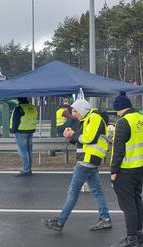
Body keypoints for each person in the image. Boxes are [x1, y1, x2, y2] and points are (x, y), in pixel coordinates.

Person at [44, 99, 113, 232]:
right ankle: (105, 219)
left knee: (73, 192)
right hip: (90, 160)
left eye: (75, 111)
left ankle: (60, 221)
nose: (74, 114)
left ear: (82, 108)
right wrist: (71, 137)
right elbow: (82, 141)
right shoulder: (88, 119)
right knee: (97, 192)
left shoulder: (94, 118)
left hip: (86, 161)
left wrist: (73, 135)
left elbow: (89, 138)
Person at [110, 91, 143, 247]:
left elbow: (118, 149)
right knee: (136, 200)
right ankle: (138, 233)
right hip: (139, 167)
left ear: (119, 108)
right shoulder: (141, 118)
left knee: (128, 205)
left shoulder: (123, 122)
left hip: (125, 169)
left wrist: (113, 171)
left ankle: (131, 237)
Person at [10, 97, 38, 177]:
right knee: (29, 151)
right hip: (30, 131)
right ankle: (28, 169)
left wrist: (12, 130)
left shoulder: (19, 108)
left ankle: (26, 169)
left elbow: (15, 121)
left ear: (18, 100)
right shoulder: (32, 107)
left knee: (23, 151)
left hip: (20, 131)